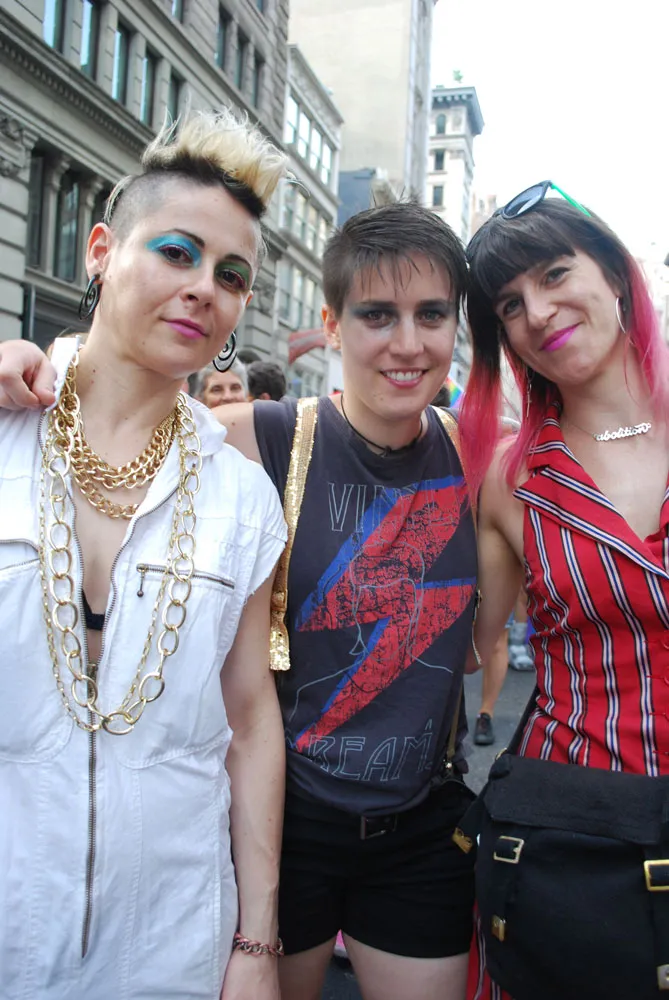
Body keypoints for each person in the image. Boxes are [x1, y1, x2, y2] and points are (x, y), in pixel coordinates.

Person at [0, 201, 480, 1000]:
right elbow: (126, 411)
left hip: (420, 828)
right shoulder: (257, 434)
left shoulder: (481, 455)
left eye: (431, 315)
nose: (407, 342)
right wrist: (31, 361)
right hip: (287, 821)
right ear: (330, 325)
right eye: (376, 314)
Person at [0, 110, 289, 1000]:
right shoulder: (5, 429)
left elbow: (250, 722)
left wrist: (256, 945)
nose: (204, 287)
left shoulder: (241, 496)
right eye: (176, 251)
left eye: (230, 275)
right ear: (101, 251)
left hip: (173, 941)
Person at [458, 182, 669, 999]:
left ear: (613, 273)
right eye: (509, 305)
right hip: (577, 844)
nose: (537, 313)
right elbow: (465, 648)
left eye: (553, 274)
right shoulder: (510, 478)